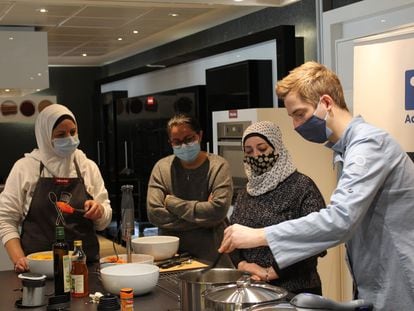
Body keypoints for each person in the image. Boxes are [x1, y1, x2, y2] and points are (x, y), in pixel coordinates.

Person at [219, 61, 414, 310]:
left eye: (300, 114)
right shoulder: (347, 150)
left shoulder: (369, 145)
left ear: (326, 103)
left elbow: (340, 219)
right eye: (292, 117)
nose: (296, 126)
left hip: (399, 277)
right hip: (377, 275)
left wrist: (259, 235)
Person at [0, 104, 112, 272]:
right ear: (45, 136)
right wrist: (19, 259)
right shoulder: (25, 168)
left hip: (83, 268)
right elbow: (6, 220)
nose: (70, 138)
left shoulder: (86, 167)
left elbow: (103, 222)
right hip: (39, 268)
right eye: (61, 134)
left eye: (73, 132)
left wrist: (100, 212)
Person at [230, 120, 326, 296]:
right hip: (253, 288)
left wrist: (271, 272)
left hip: (296, 290)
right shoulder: (246, 191)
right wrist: (243, 265)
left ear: (277, 148)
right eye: (249, 151)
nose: (256, 156)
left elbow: (314, 240)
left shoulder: (302, 187)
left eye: (262, 148)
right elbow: (233, 236)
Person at [147, 114, 233, 264]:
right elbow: (154, 214)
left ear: (199, 135)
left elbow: (218, 210)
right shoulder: (162, 168)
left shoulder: (218, 166)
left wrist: (172, 203)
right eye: (177, 142)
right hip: (171, 257)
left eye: (188, 139)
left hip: (212, 256)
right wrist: (206, 220)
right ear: (170, 143)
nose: (184, 145)